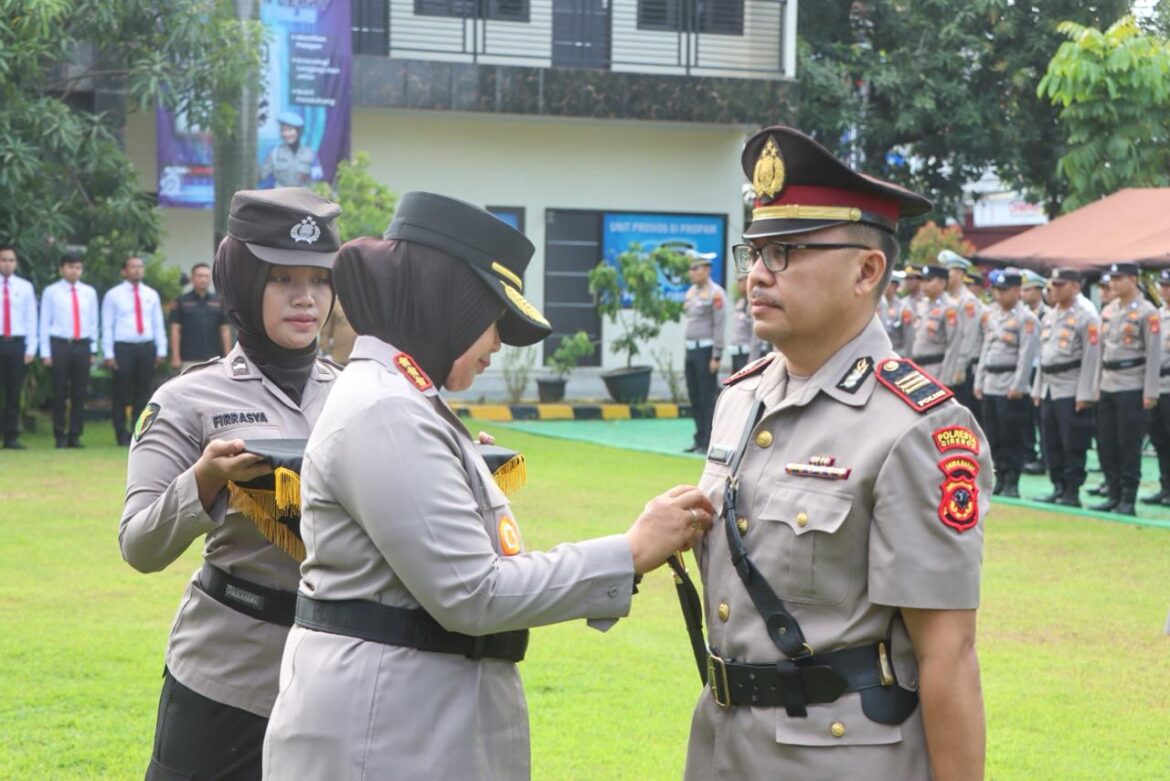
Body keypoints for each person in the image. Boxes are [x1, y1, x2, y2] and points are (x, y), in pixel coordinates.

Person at [262, 191, 715, 780]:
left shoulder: (403, 400)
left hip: (411, 722)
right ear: (446, 301)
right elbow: (473, 592)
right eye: (492, 320)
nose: (497, 345)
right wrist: (630, 550)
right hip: (386, 736)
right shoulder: (387, 411)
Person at [685, 126, 990, 781]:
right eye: (756, 250)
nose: (759, 273)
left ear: (866, 269)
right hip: (721, 745)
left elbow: (948, 654)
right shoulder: (740, 398)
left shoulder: (915, 427)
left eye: (788, 251)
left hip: (839, 757)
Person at [119, 188, 343, 780]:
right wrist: (206, 480)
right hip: (225, 675)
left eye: (320, 280)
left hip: (336, 676)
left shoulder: (362, 395)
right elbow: (139, 544)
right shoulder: (188, 398)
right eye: (281, 279)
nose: (305, 298)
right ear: (243, 282)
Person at [1090, 262, 1161, 515]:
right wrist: (1095, 385)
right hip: (1108, 382)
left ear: (1133, 279)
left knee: (1128, 443)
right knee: (1107, 442)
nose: (1113, 283)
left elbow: (1153, 354)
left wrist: (1150, 391)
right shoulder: (1108, 310)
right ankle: (1113, 492)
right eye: (1112, 278)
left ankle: (1128, 498)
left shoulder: (1147, 311)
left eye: (1119, 278)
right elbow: (1100, 351)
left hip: (1132, 383)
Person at [1031, 268, 1101, 507]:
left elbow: (1091, 358)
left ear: (1075, 286)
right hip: (1050, 386)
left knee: (1073, 441)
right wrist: (1038, 388)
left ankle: (1072, 491)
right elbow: (1044, 355)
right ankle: (1058, 486)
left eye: (1061, 285)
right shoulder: (1050, 315)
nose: (1055, 290)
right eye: (1054, 285)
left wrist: (1086, 393)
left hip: (1071, 386)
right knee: (1051, 441)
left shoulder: (1086, 316)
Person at [974, 270, 1040, 498]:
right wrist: (979, 379)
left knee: (1011, 436)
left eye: (1003, 291)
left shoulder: (1026, 318)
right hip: (991, 381)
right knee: (993, 436)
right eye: (996, 290)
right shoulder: (993, 315)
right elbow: (986, 349)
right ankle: (998, 478)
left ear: (1016, 291)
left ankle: (1012, 480)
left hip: (1009, 383)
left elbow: (1026, 355)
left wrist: (1018, 385)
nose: (999, 295)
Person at [102, 256, 167, 445]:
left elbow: (157, 323)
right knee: (120, 393)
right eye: (133, 267)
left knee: (143, 392)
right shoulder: (113, 295)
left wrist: (161, 349)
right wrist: (108, 353)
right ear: (124, 271)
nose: (137, 270)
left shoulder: (151, 294)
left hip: (146, 346)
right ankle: (120, 433)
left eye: (140, 267)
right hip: (123, 347)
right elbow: (107, 325)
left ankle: (139, 432)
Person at [39, 252, 99, 448]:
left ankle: (75, 434)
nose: (75, 271)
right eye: (71, 267)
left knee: (79, 392)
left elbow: (93, 322)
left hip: (82, 344)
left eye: (78, 267)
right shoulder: (51, 291)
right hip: (60, 344)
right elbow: (44, 322)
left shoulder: (89, 292)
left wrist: (93, 349)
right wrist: (46, 352)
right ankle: (59, 434)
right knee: (59, 391)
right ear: (62, 269)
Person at [682, 250, 726, 453]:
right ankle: (698, 438)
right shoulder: (691, 292)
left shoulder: (715, 293)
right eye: (690, 268)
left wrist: (716, 355)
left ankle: (709, 440)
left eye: (695, 268)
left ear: (707, 269)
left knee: (707, 397)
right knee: (694, 396)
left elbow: (719, 325)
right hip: (691, 350)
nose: (692, 273)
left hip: (706, 351)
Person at [0, 245, 37, 448]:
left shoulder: (24, 287)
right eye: (4, 259)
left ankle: (11, 437)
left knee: (14, 393)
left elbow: (30, 317)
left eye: (11, 260)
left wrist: (30, 348)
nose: (7, 263)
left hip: (15, 344)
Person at [169, 262, 231, 372]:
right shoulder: (181, 301)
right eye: (199, 276)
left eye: (206, 276)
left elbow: (225, 331)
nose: (203, 279)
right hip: (188, 359)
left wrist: (228, 356)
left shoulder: (219, 302)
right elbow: (175, 331)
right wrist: (175, 356)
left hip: (214, 359)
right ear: (192, 278)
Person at [909, 264, 964, 384]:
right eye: (922, 280)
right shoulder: (923, 305)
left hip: (935, 369)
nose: (923, 284)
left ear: (942, 283)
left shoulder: (949, 308)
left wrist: (945, 379)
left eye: (928, 280)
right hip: (917, 369)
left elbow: (953, 345)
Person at [1142, 269, 1170, 505]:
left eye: (1168, 285)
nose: (1165, 290)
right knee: (1160, 439)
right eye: (1163, 285)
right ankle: (1166, 487)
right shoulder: (1156, 316)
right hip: (1156, 384)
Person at [259, 112, 323, 189]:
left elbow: (317, 179)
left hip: (303, 197)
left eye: (290, 130)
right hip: (280, 197)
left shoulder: (310, 154)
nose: (286, 134)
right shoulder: (274, 153)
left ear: (298, 131)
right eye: (283, 130)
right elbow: (262, 176)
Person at [880, 269, 916, 354]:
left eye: (888, 283)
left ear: (895, 286)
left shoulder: (903, 308)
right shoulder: (877, 305)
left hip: (897, 353)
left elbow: (909, 337)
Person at [317, 298, 357, 364]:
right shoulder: (335, 303)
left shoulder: (364, 303)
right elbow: (325, 333)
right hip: (339, 359)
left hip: (360, 360)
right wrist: (325, 352)